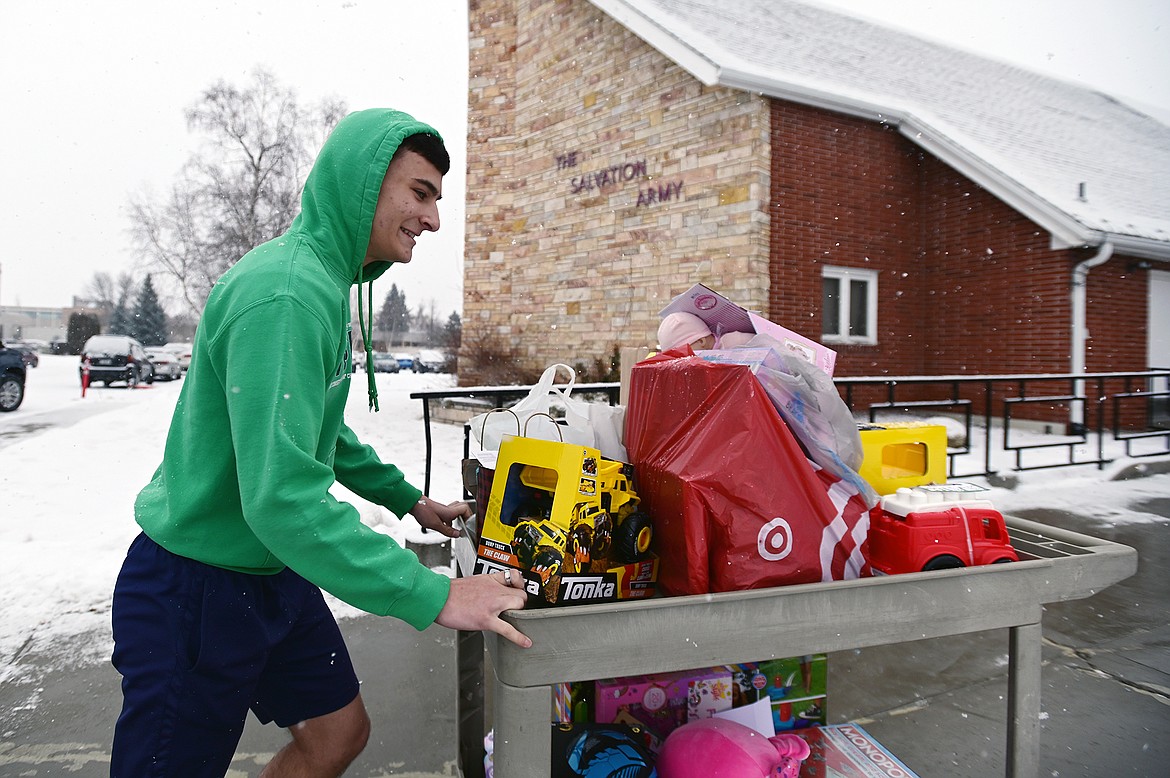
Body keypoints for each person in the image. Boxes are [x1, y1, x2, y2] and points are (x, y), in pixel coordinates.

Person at [110, 108, 530, 777]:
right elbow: (280, 498)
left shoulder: (323, 284)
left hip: (270, 574)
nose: (433, 219)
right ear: (364, 185)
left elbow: (319, 434)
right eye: (420, 193)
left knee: (337, 733)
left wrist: (406, 499)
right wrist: (434, 596)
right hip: (195, 587)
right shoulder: (287, 294)